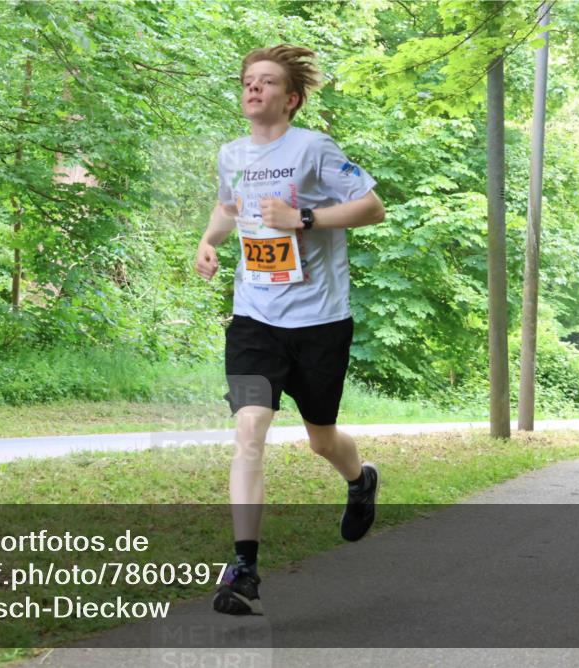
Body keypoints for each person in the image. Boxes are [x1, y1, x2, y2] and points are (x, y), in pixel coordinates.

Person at [195, 45, 386, 616]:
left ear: (291, 98)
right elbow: (228, 208)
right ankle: (244, 569)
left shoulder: (314, 149)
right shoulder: (231, 155)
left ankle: (360, 477)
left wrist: (304, 217)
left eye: (267, 82)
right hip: (256, 317)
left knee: (321, 438)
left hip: (319, 320)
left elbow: (372, 207)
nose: (253, 88)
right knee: (249, 431)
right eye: (248, 80)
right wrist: (209, 242)